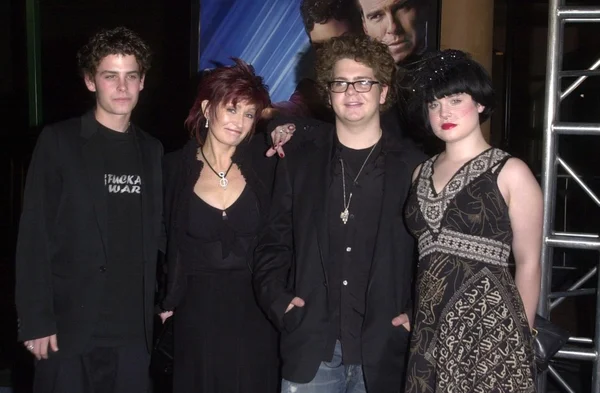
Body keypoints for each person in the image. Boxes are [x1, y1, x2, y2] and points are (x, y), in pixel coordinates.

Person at [253, 34, 425, 393]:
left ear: (384, 91)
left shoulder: (415, 167)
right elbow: (274, 241)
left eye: (364, 82)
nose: (352, 92)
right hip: (311, 348)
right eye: (341, 83)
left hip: (384, 348)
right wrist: (279, 301)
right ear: (327, 93)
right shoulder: (298, 160)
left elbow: (429, 254)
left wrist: (416, 313)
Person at [15, 27, 164, 393]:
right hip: (69, 326)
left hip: (133, 332)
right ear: (89, 81)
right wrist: (35, 321)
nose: (122, 87)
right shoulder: (59, 142)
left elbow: (159, 235)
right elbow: (34, 234)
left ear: (142, 81)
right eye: (110, 76)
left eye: (131, 76)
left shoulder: (153, 150)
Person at [404, 49, 541, 392]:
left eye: (455, 99)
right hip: (428, 327)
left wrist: (519, 335)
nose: (443, 112)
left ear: (479, 103)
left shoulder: (511, 171)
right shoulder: (419, 172)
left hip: (489, 327)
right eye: (434, 103)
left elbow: (529, 262)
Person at [157, 59, 280, 393]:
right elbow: (159, 241)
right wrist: (166, 302)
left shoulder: (267, 165)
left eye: (249, 114)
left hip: (257, 311)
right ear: (208, 108)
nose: (240, 122)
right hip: (197, 314)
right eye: (232, 109)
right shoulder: (171, 169)